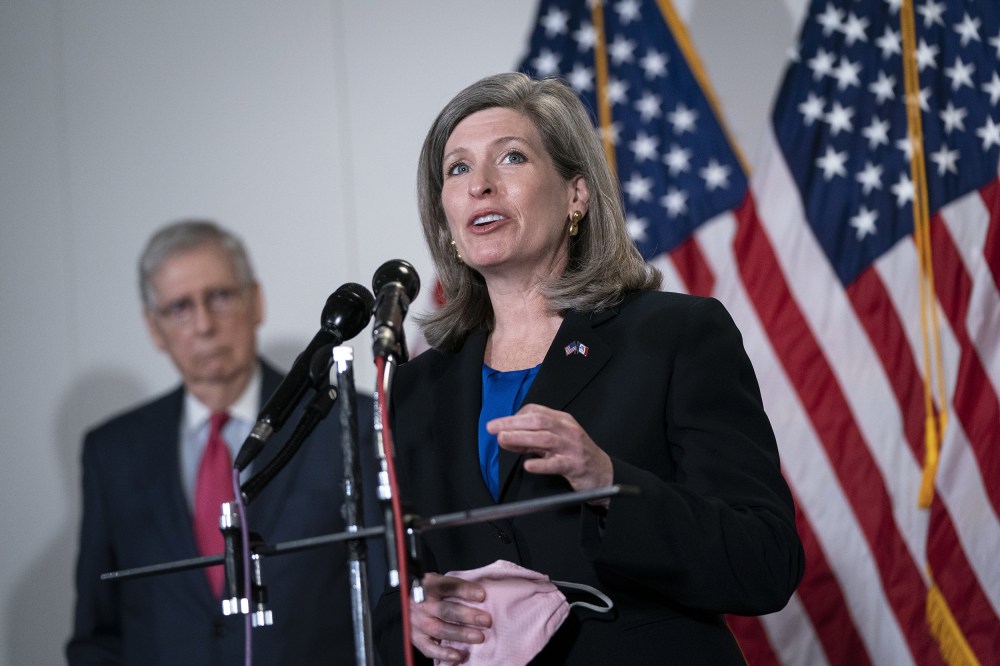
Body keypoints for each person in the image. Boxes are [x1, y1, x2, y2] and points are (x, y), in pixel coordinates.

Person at [372, 73, 804, 665]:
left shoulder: (674, 336)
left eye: (512, 157)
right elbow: (387, 586)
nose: (480, 185)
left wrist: (607, 481)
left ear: (576, 195)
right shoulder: (415, 388)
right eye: (458, 168)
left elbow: (765, 562)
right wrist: (412, 617)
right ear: (445, 219)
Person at [68, 219, 381, 664]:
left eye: (219, 296)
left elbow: (385, 605)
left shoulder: (347, 421)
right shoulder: (113, 452)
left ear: (256, 301)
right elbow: (96, 635)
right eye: (180, 307)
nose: (204, 325)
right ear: (153, 327)